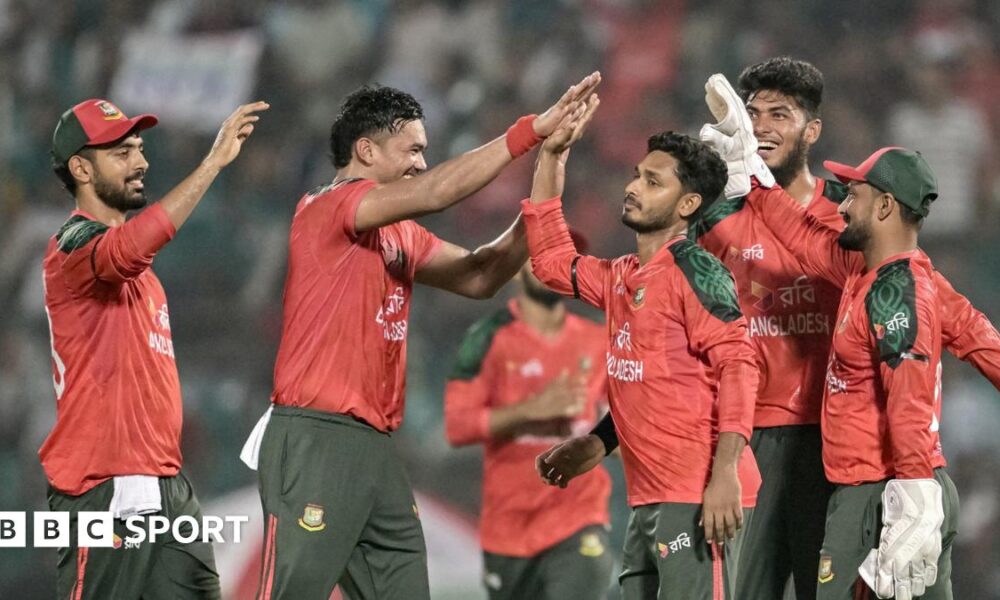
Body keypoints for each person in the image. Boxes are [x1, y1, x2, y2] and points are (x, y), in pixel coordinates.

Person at [242, 73, 601, 600]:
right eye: (411, 149)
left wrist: (550, 166)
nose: (421, 162)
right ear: (366, 150)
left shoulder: (397, 232)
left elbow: (481, 275)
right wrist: (529, 133)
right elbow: (435, 192)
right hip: (315, 436)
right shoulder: (327, 207)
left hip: (375, 446)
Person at [690, 57, 1000, 600]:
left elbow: (907, 392)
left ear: (883, 207)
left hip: (884, 489)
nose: (844, 198)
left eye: (855, 192)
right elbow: (978, 337)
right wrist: (754, 182)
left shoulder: (893, 287)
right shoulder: (865, 267)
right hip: (875, 481)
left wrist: (913, 483)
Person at [525, 96, 760, 599]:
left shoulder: (697, 271)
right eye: (637, 175)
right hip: (649, 497)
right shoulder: (622, 277)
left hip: (699, 494)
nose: (632, 187)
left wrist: (724, 478)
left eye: (653, 182)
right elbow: (549, 261)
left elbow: (740, 364)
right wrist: (551, 157)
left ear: (687, 204)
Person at [42, 97, 268, 599]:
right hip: (106, 483)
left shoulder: (144, 277)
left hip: (166, 482)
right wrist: (212, 164)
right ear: (81, 166)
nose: (141, 162)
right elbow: (127, 248)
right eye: (121, 152)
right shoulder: (71, 245)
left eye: (140, 149)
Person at [444, 230, 613, 600]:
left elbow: (626, 415)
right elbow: (457, 425)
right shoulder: (487, 337)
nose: (551, 267)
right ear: (517, 267)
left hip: (579, 518)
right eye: (540, 257)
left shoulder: (600, 340)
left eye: (563, 257)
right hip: (509, 528)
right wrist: (530, 410)